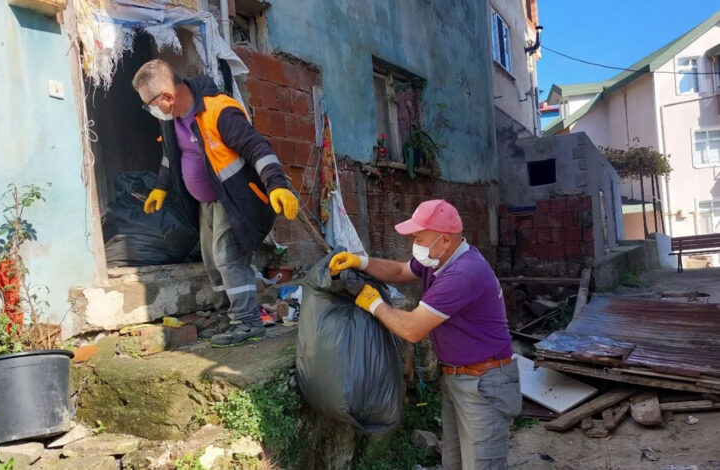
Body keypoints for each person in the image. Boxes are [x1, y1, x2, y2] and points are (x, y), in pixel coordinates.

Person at [329, 199, 521, 470]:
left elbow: (412, 329)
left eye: (419, 238)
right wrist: (361, 261)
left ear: (444, 240)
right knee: (453, 462)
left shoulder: (462, 273)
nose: (414, 244)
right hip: (458, 378)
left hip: (484, 384)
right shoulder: (439, 260)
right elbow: (399, 271)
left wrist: (373, 303)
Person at [131, 59, 298, 347]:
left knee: (228, 256)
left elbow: (257, 147)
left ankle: (247, 321)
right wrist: (160, 188)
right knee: (211, 261)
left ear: (167, 97)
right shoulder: (171, 120)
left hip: (234, 200)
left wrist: (278, 185)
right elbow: (172, 156)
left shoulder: (219, 110)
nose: (150, 110)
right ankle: (228, 316)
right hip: (205, 203)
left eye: (149, 104)